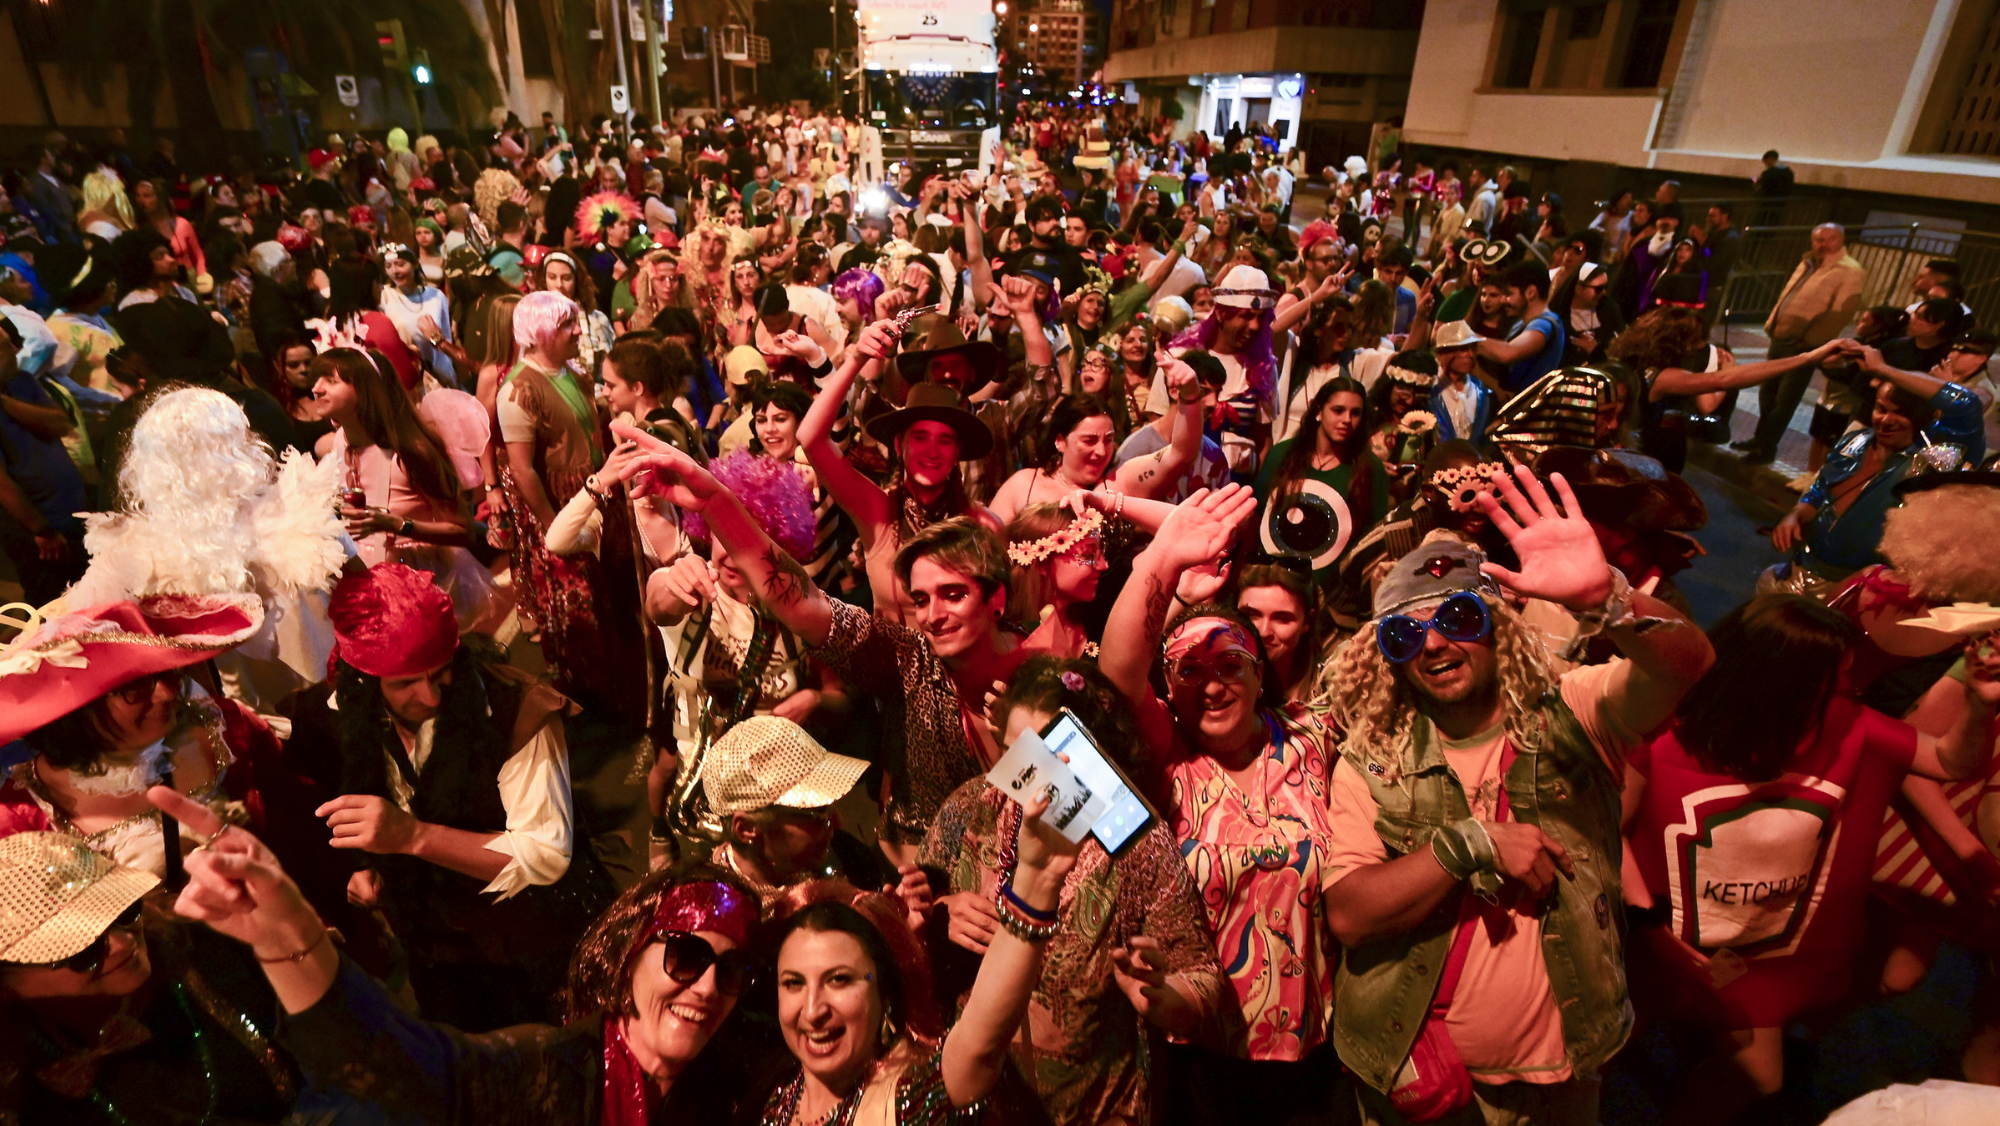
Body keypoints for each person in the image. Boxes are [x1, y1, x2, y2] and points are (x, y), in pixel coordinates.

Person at [1320, 468, 1715, 1126]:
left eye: (1456, 616)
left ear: (1496, 624)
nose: (1435, 643)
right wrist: (1465, 845)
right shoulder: (1372, 761)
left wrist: (1610, 601)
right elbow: (1350, 917)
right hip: (1420, 1075)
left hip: (1565, 1076)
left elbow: (1690, 664)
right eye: (1404, 635)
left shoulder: (1576, 710)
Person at [152, 781, 765, 1126]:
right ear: (629, 958)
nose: (707, 988)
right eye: (685, 957)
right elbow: (388, 1066)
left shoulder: (731, 1088)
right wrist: (288, 936)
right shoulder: (553, 1069)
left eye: (729, 970)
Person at [1623, 594, 2000, 1126]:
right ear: (1777, 678)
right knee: (1612, 1042)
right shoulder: (1660, 731)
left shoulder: (1846, 720)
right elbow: (1608, 833)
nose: (1847, 689)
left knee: (1758, 1077)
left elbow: (1945, 760)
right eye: (1833, 679)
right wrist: (1651, 932)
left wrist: (1980, 706)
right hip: (1647, 939)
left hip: (1748, 953)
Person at [1097, 485, 1345, 1118]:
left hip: (1318, 1059)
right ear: (1169, 689)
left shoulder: (1313, 737)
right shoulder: (1169, 754)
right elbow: (1119, 669)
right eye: (1189, 669)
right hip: (1200, 1059)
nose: (1212, 683)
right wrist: (1161, 563)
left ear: (1261, 673)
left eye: (1230, 663)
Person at [284, 564, 615, 1031]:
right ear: (363, 678)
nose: (431, 695)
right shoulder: (329, 717)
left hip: (536, 945)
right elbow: (338, 800)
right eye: (404, 683)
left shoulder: (516, 709)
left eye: (440, 673)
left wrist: (411, 837)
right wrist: (365, 867)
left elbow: (544, 855)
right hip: (433, 953)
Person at [913, 656, 1237, 1126]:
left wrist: (1167, 997)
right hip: (976, 1099)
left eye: (1045, 757)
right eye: (1011, 753)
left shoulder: (1135, 843)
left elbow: (1201, 976)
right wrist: (939, 912)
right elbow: (914, 912)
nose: (1023, 778)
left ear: (1093, 752)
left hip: (1094, 1109)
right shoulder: (972, 806)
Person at [748, 790, 1079, 1126]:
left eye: (839, 980)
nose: (813, 1009)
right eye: (793, 983)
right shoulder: (774, 1095)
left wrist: (1037, 882)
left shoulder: (910, 1098)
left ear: (886, 994)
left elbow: (981, 1043)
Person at [0, 826, 307, 1123]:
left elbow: (336, 1051)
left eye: (124, 913)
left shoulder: (207, 948)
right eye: (80, 949)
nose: (123, 944)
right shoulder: (13, 1082)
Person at [497, 290, 641, 712]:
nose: (578, 331)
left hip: (595, 491)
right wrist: (551, 522)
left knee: (607, 594)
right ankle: (590, 696)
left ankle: (618, 683)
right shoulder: (518, 391)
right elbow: (523, 470)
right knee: (576, 607)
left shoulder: (571, 371)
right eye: (566, 325)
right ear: (539, 334)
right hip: (563, 504)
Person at [313, 347, 500, 634]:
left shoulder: (411, 452)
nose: (316, 389)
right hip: (369, 583)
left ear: (365, 389)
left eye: (330, 380)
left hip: (425, 583)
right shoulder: (338, 443)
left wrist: (398, 524)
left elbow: (465, 531)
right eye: (317, 380)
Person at [1766, 376, 1983, 593]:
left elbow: (1967, 407)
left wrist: (1882, 368)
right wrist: (1795, 514)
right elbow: (1820, 490)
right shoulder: (1854, 441)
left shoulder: (1929, 462)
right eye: (1881, 409)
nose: (1887, 420)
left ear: (1926, 419)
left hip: (1857, 591)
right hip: (1801, 568)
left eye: (1901, 413)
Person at [693, 714, 889, 909]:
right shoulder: (714, 915)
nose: (838, 821)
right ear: (746, 829)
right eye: (816, 811)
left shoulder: (850, 860)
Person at [1736, 223, 1865, 465]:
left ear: (1841, 241)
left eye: (1830, 239)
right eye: (1818, 239)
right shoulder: (1809, 262)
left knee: (1786, 398)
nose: (1823, 244)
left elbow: (1840, 312)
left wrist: (1811, 340)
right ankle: (1759, 438)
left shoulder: (1849, 270)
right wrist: (1773, 324)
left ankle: (1767, 447)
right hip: (1781, 336)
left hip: (1803, 343)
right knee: (1768, 392)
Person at [1254, 375, 1388, 585]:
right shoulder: (1282, 454)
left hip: (1334, 590)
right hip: (1275, 578)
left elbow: (1374, 539)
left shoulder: (1370, 468)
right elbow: (1257, 516)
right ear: (1318, 411)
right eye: (1338, 410)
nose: (1346, 419)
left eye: (1355, 413)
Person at [1474, 261, 1565, 393]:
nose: (1503, 300)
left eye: (1509, 294)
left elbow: (1508, 353)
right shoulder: (1522, 322)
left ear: (1530, 292)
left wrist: (1466, 337)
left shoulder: (1544, 324)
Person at [1429, 320, 1495, 445]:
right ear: (1441, 354)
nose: (1471, 354)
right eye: (1463, 349)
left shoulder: (1484, 394)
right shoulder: (1429, 393)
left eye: (1473, 349)